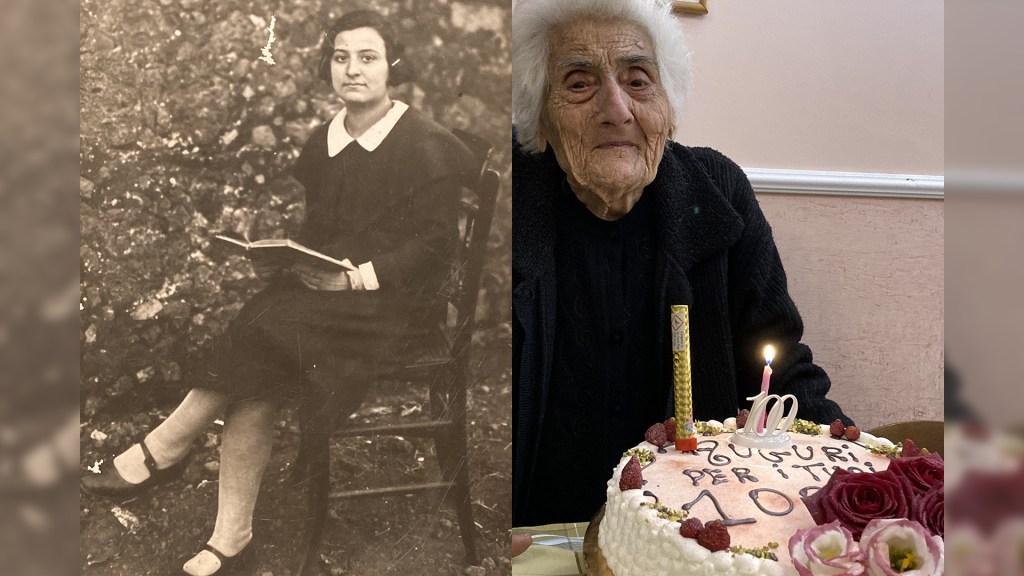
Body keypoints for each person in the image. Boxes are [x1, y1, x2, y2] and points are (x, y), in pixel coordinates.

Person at [82, 10, 473, 576]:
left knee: (262, 331)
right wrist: (287, 259)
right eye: (340, 58)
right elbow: (321, 231)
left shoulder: (425, 143)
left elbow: (435, 249)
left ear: (393, 65)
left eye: (367, 57)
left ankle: (166, 449)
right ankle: (229, 538)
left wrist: (354, 276)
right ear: (327, 67)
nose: (353, 70)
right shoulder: (325, 141)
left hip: (396, 309)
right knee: (260, 350)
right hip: (328, 306)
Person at [511, 0, 851, 530]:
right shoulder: (499, 199)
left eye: (639, 80)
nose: (617, 108)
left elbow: (780, 364)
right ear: (541, 117)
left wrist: (855, 484)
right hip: (536, 530)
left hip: (695, 530)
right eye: (579, 82)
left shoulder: (718, 191)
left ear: (668, 109)